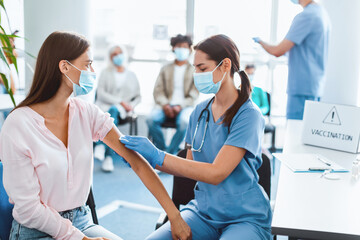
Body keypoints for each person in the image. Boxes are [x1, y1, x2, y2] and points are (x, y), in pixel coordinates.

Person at [0, 31, 191, 240]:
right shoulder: (18, 124)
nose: (93, 71)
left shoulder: (87, 112)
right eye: (87, 64)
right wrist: (80, 239)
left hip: (81, 221)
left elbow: (136, 162)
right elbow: (28, 209)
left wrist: (174, 216)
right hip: (36, 231)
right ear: (64, 67)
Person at [121, 34, 272, 240]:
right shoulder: (199, 112)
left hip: (244, 217)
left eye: (202, 68)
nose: (196, 74)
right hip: (203, 212)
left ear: (225, 65)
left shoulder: (248, 115)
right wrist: (148, 159)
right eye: (195, 68)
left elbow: (216, 173)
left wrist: (158, 155)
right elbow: (189, 166)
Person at [253, 0, 331, 120]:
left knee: (296, 131)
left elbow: (278, 51)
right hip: (315, 86)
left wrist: (260, 41)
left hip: (301, 88)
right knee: (308, 132)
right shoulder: (322, 14)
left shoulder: (306, 16)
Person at [147, 34, 199, 154]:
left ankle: (169, 154)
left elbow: (194, 94)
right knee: (150, 120)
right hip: (164, 106)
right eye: (179, 46)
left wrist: (180, 106)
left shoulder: (194, 70)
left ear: (190, 49)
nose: (181, 49)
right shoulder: (166, 68)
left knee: (185, 123)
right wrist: (165, 105)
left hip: (185, 106)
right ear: (173, 48)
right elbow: (158, 90)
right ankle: (161, 150)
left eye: (184, 47)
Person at [94, 44, 141, 172]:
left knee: (114, 112)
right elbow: (101, 93)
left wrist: (131, 106)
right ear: (110, 57)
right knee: (111, 112)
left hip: (123, 112)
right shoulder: (105, 72)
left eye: (119, 53)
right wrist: (120, 101)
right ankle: (108, 156)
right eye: (114, 54)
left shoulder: (131, 74)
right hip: (105, 108)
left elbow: (138, 96)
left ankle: (101, 146)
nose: (117, 56)